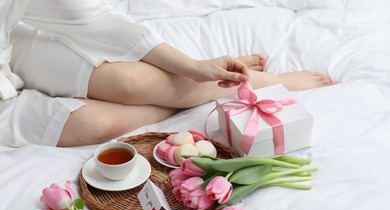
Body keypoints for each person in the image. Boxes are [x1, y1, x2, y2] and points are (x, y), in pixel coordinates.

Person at [1, 0, 333, 148]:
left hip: (10, 41)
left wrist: (193, 67)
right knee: (100, 125)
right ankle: (203, 94)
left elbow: (87, 17)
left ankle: (254, 82)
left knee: (132, 82)